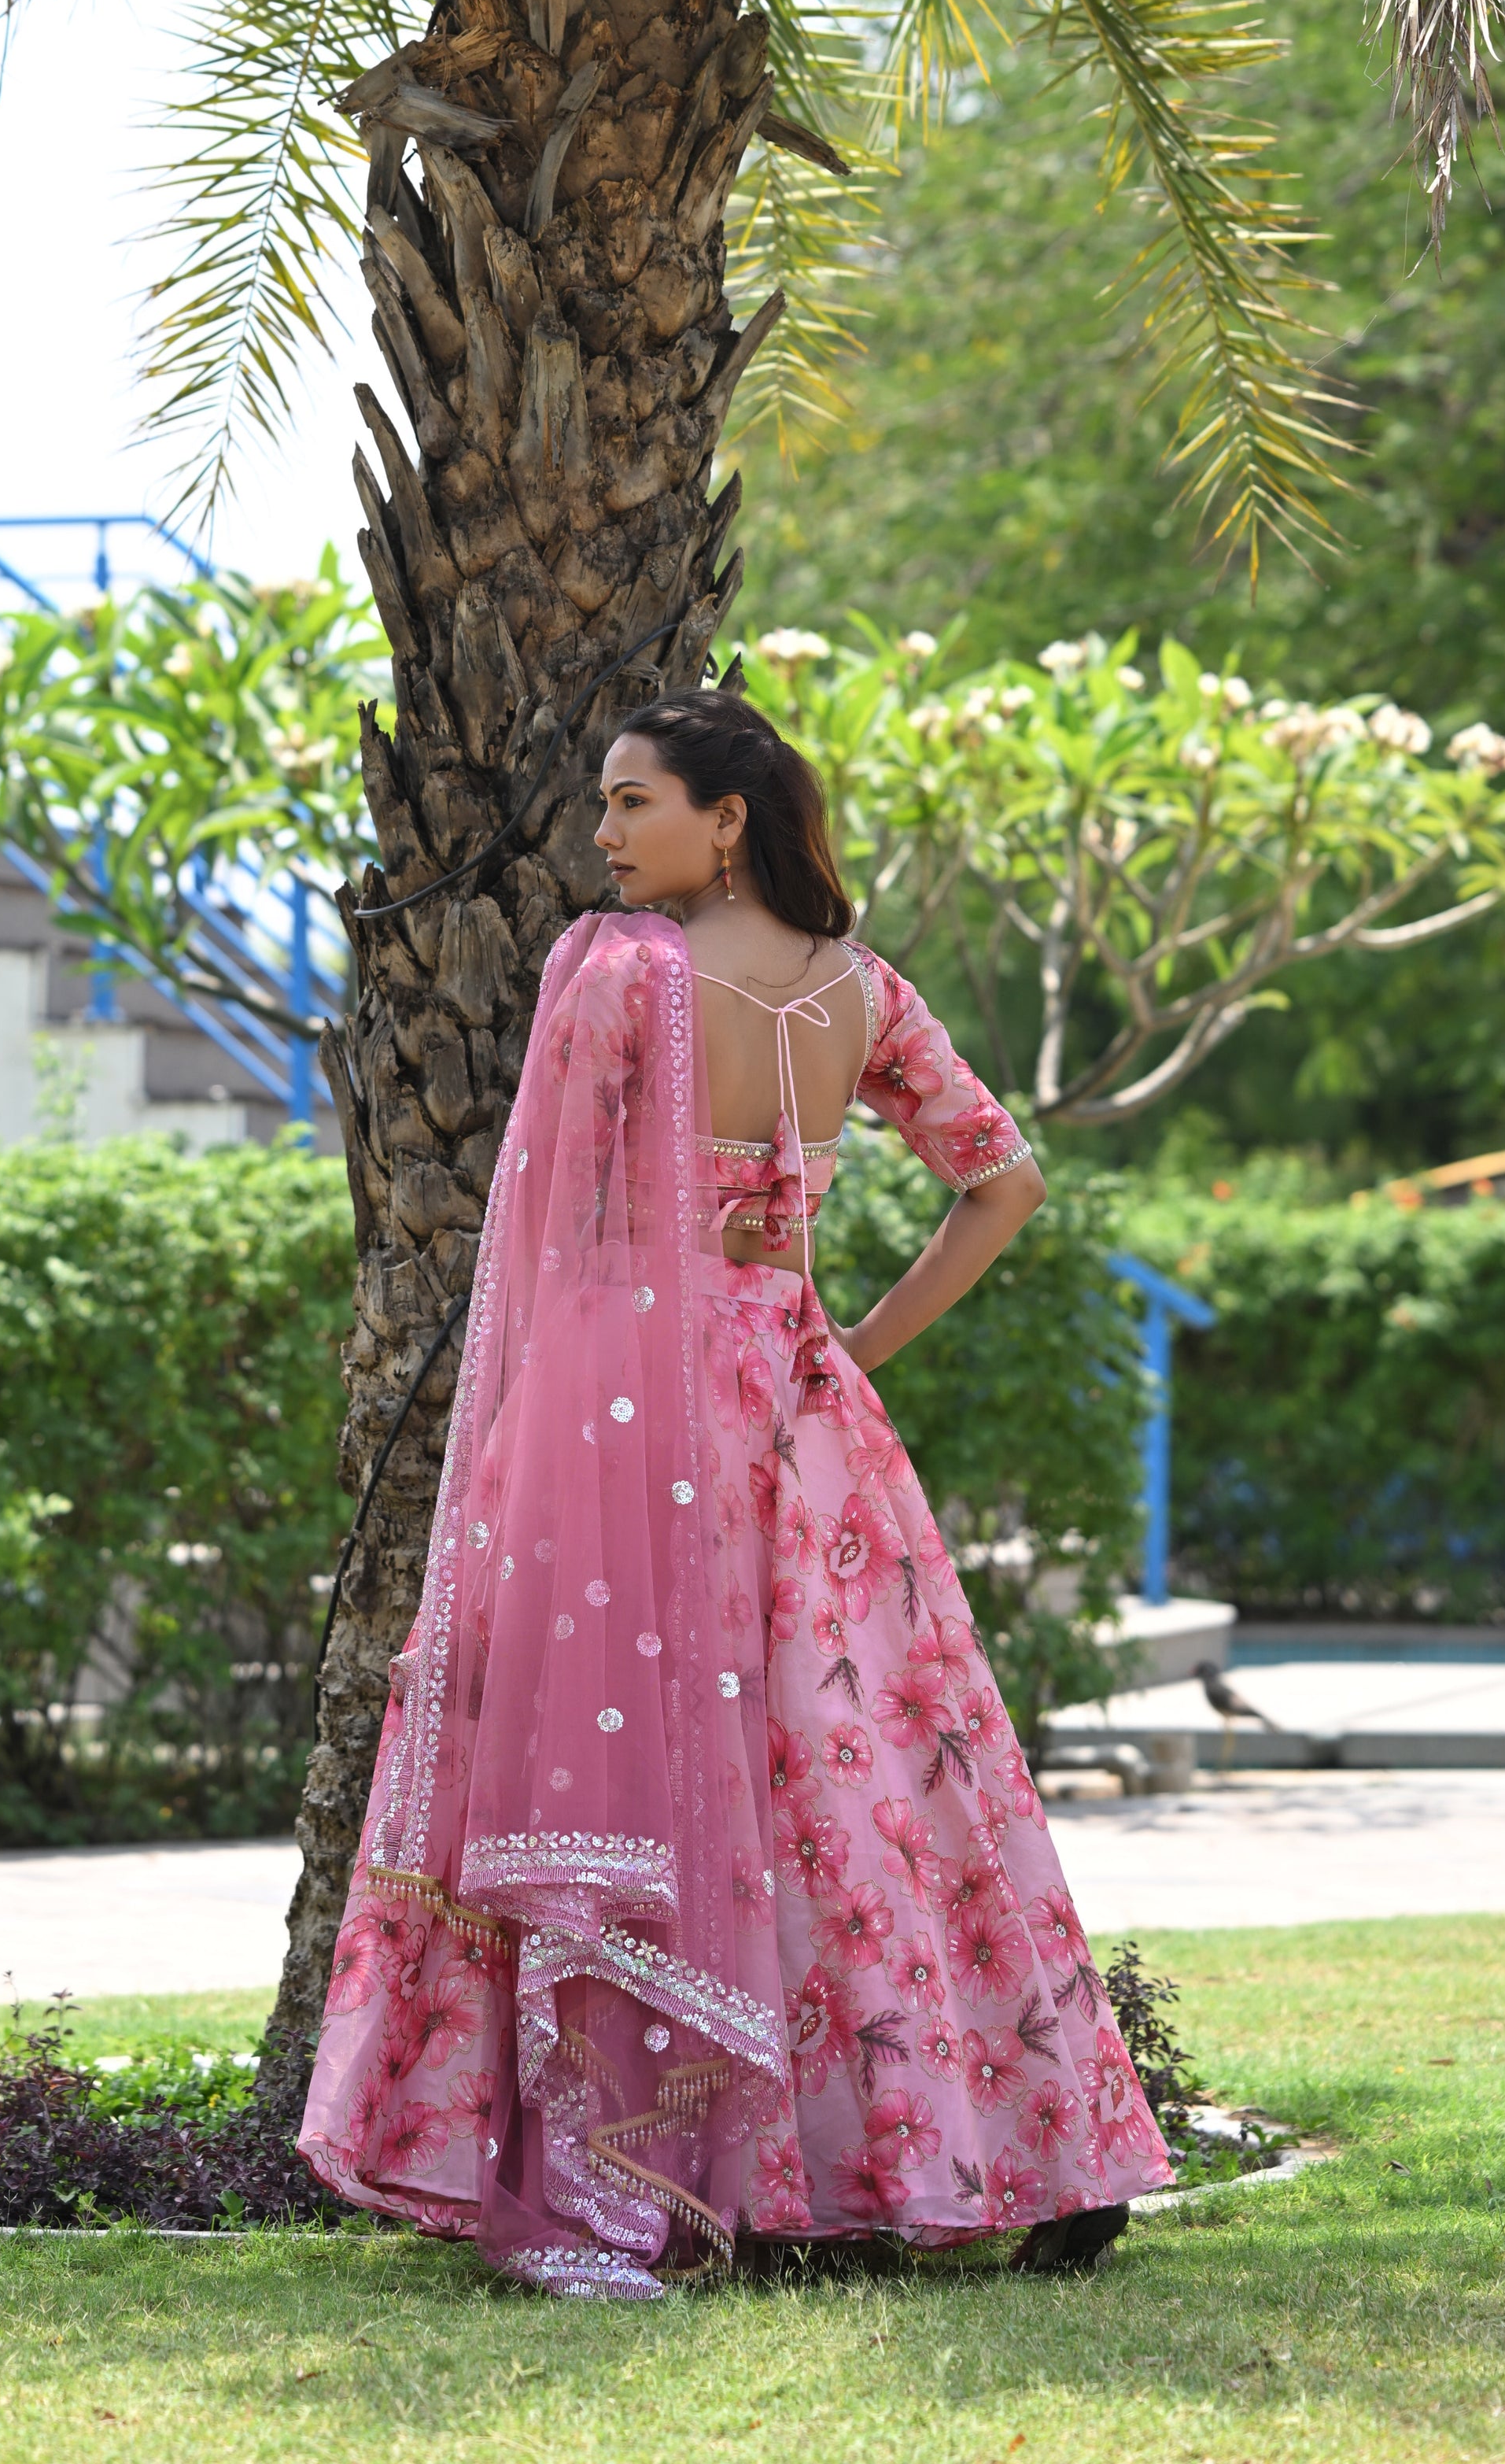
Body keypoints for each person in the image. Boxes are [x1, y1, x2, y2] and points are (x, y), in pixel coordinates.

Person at [297, 685, 1173, 2297]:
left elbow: (558, 1233)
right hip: (805, 1414)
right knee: (856, 1773)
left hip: (626, 1422)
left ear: (728, 818)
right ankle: (959, 2153)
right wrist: (852, 1335)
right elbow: (1005, 1179)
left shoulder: (617, 977)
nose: (605, 832)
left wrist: (531, 1437)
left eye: (634, 801)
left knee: (643, 1772)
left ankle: (653, 2173)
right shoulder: (863, 988)